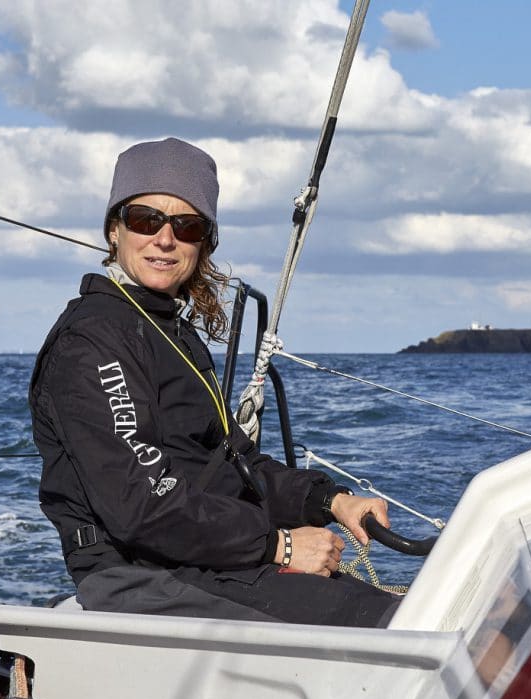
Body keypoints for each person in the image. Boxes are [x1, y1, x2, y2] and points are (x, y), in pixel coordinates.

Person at [29, 137, 400, 627]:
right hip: (137, 578)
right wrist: (280, 544)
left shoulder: (167, 331)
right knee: (393, 624)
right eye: (146, 219)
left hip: (203, 561)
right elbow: (142, 505)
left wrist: (327, 499)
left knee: (429, 609)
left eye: (187, 226)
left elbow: (233, 464)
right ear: (114, 231)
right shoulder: (94, 341)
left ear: (204, 243)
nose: (165, 239)